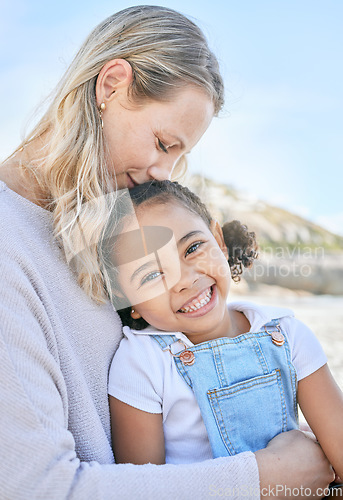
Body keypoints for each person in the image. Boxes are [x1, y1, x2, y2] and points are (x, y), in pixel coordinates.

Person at [0, 4, 334, 499]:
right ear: (111, 85)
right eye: (162, 142)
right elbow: (36, 486)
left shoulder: (107, 230)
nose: (163, 173)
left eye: (179, 157)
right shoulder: (10, 241)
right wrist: (264, 478)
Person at [105, 181, 343, 476]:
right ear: (128, 301)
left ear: (218, 240)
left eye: (192, 248)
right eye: (152, 274)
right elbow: (144, 485)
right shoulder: (141, 362)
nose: (186, 280)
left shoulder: (287, 333)